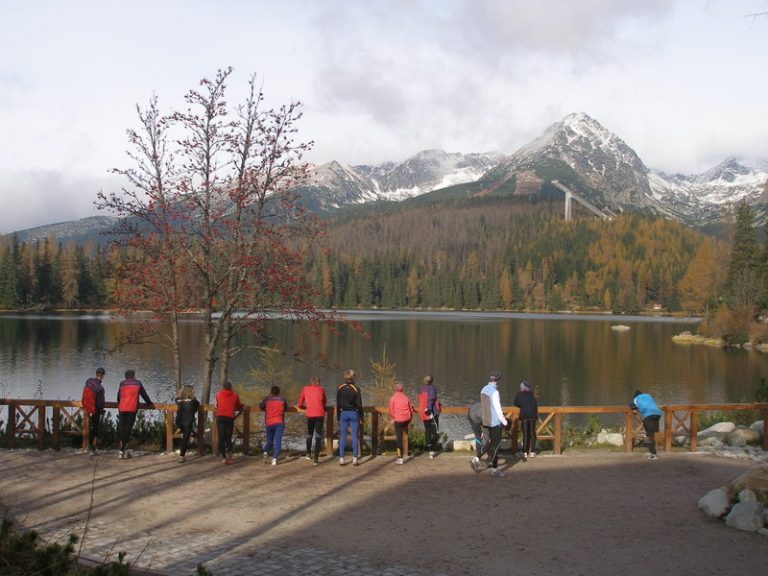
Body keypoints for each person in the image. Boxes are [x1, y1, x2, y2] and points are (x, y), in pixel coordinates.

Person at [470, 370, 509, 477]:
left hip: (485, 420)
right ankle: (494, 470)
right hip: (494, 422)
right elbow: (497, 409)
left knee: (490, 443)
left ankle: (476, 459)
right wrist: (504, 422)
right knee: (496, 446)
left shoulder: (483, 389)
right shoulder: (495, 392)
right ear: (498, 380)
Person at [116, 369, 153, 459]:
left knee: (122, 428)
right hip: (132, 408)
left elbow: (118, 397)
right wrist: (149, 403)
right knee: (128, 429)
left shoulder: (122, 383)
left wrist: (120, 402)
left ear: (126, 376)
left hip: (122, 408)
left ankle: (121, 449)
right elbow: (144, 395)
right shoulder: (138, 383)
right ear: (133, 376)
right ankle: (122, 450)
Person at [297, 376, 327, 465]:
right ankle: (316, 459)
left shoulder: (305, 389)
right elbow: (324, 401)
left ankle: (308, 453)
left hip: (310, 414)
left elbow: (299, 403)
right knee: (318, 436)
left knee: (309, 434)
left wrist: (303, 407)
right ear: (318, 382)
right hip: (320, 414)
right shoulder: (321, 389)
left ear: (311, 382)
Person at [336, 369, 363, 466]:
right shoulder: (356, 389)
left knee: (343, 436)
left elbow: (338, 403)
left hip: (343, 413)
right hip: (353, 413)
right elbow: (359, 405)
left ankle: (342, 458)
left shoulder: (340, 388)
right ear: (353, 377)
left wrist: (338, 416)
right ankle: (355, 458)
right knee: (355, 436)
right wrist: (361, 416)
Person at [215, 380, 243, 465]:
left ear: (223, 387)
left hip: (220, 416)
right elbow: (238, 405)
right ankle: (230, 457)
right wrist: (243, 406)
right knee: (228, 438)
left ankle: (223, 457)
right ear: (231, 387)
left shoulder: (218, 394)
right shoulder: (235, 396)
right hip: (229, 417)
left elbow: (218, 404)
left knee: (221, 437)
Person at [630, 390, 662, 460]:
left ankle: (653, 454)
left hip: (648, 416)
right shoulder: (648, 396)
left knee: (649, 435)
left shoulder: (635, 399)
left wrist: (638, 412)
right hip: (658, 414)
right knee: (654, 432)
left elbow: (634, 411)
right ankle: (658, 448)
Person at [260, 385, 288, 466]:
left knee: (270, 441)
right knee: (278, 441)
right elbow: (286, 408)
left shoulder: (267, 399)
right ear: (279, 392)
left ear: (271, 392)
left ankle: (265, 451)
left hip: (269, 423)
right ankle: (274, 459)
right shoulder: (283, 399)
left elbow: (261, 406)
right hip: (279, 422)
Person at [81, 367, 106, 457]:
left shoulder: (88, 381)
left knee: (88, 428)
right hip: (95, 410)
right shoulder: (100, 388)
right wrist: (101, 410)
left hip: (86, 408)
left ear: (96, 374)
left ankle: (88, 447)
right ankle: (92, 448)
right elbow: (100, 402)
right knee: (94, 430)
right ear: (103, 376)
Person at [388, 383, 415, 464]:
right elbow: (411, 408)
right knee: (404, 434)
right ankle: (406, 451)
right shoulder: (406, 398)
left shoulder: (392, 398)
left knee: (399, 438)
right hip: (407, 419)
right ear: (402, 390)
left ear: (395, 389)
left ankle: (400, 458)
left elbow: (391, 411)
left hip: (399, 420)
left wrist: (394, 418)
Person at [513, 379, 538, 461]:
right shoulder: (532, 395)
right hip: (532, 416)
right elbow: (535, 405)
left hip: (524, 417)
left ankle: (524, 452)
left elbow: (516, 403)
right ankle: (533, 452)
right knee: (532, 433)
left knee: (525, 434)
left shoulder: (519, 394)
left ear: (523, 387)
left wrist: (522, 405)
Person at [418, 374, 441, 458]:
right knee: (435, 431)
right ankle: (433, 450)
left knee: (427, 431)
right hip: (431, 412)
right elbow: (431, 399)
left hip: (422, 411)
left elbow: (421, 400)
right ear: (431, 381)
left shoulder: (421, 388)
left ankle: (430, 450)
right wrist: (429, 410)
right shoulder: (431, 388)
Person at [175, 384, 200, 463]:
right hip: (187, 422)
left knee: (185, 435)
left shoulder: (178, 400)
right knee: (186, 439)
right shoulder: (193, 400)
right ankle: (181, 456)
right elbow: (198, 404)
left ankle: (188, 434)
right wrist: (193, 411)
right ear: (191, 391)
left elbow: (176, 399)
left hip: (178, 421)